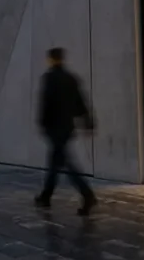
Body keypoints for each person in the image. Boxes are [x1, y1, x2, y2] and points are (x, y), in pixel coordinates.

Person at [34, 48, 97, 216]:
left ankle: (87, 194)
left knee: (66, 164)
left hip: (54, 128)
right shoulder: (71, 78)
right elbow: (80, 102)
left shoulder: (49, 78)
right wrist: (87, 121)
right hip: (68, 127)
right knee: (55, 162)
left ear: (51, 60)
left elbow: (46, 103)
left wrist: (42, 123)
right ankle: (46, 196)